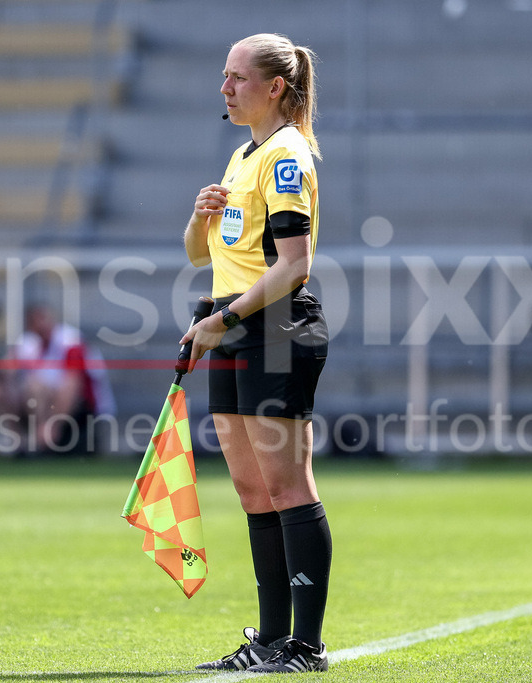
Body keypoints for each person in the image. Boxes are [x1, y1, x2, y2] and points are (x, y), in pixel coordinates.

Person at [180, 33, 332, 674]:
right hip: (234, 324)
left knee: (285, 483)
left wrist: (223, 320)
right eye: (224, 76)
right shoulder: (243, 154)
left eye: (238, 77)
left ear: (275, 87)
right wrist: (198, 218)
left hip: (274, 330)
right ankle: (271, 640)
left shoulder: (288, 154)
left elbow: (294, 266)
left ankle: (306, 646)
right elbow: (199, 255)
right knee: (250, 488)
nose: (225, 88)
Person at [0, 303, 114, 455]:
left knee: (35, 387)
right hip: (37, 404)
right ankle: (20, 442)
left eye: (43, 318)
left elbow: (73, 384)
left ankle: (44, 436)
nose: (40, 324)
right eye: (35, 320)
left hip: (80, 405)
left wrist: (53, 425)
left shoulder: (70, 341)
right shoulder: (27, 342)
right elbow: (2, 374)